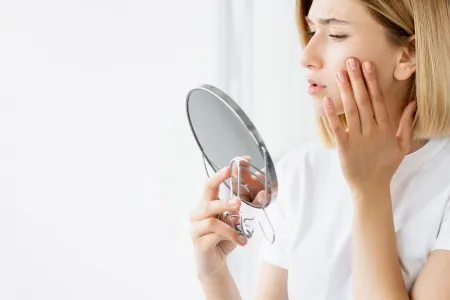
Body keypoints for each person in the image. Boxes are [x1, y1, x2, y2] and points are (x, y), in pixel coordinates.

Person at [189, 0, 450, 299]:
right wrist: (214, 277)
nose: (306, 56)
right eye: (312, 30)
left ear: (408, 55)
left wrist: (370, 190)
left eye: (336, 34)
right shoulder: (300, 173)